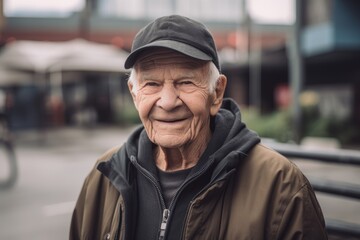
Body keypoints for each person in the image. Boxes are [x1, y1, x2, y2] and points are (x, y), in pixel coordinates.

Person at [70, 15, 328, 240]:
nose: (168, 102)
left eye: (185, 82)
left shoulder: (281, 186)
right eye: (151, 84)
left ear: (216, 93)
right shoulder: (104, 176)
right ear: (134, 94)